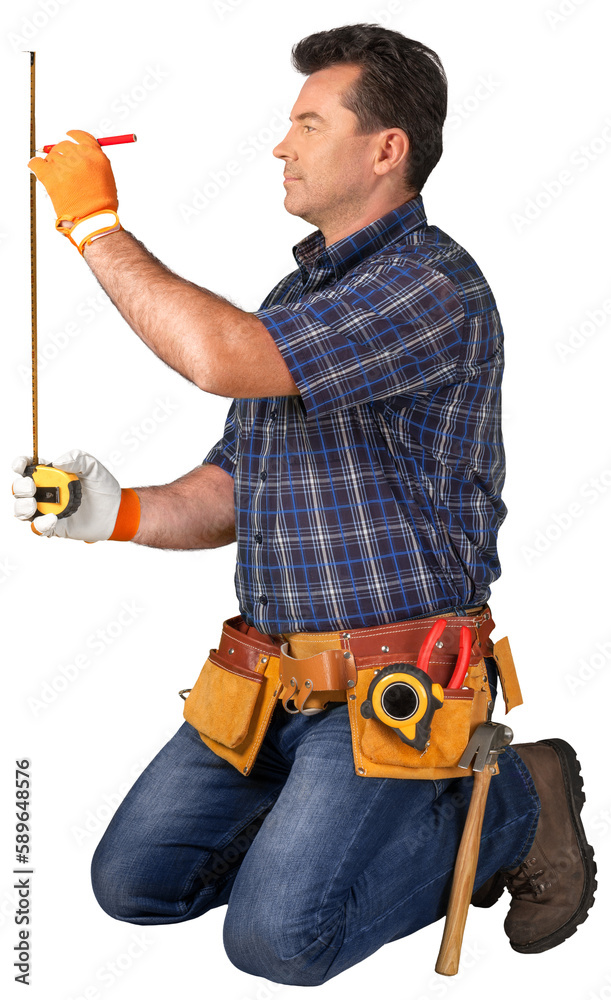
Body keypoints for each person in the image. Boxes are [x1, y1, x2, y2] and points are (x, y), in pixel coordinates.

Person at [13, 23, 596, 987]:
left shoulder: (428, 284)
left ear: (385, 148)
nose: (281, 145)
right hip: (268, 686)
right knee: (133, 886)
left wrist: (95, 230)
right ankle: (337, 830)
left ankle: (514, 809)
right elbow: (227, 491)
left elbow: (220, 359)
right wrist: (111, 512)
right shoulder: (295, 299)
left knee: (279, 942)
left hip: (392, 689)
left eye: (307, 124)